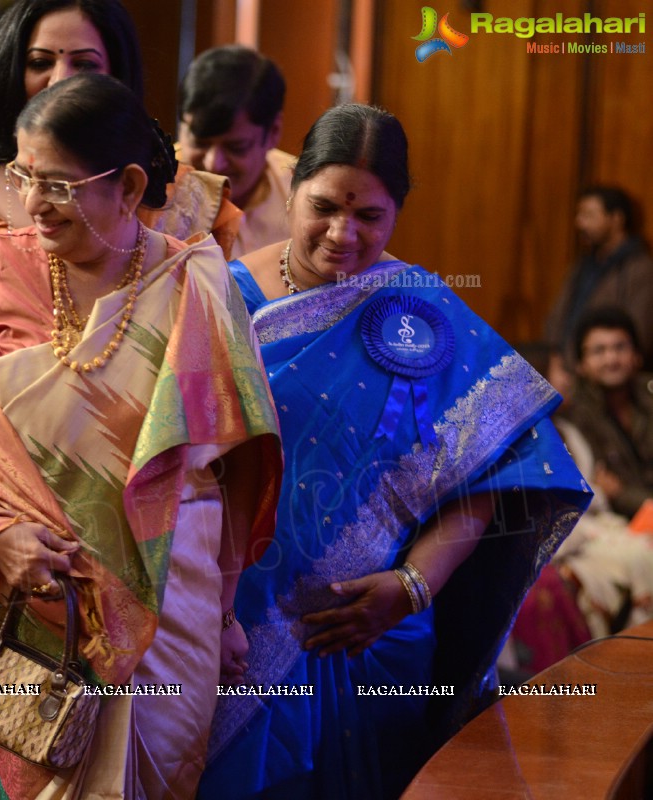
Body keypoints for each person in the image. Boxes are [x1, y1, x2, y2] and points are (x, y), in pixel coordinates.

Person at [0, 72, 281, 799]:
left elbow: (238, 473)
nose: (32, 203)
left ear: (129, 187)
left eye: (59, 185)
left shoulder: (199, 283)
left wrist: (225, 612)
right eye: (23, 177)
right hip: (22, 610)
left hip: (172, 611)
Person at [200, 104, 591, 799]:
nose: (343, 234)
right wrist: (218, 614)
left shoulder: (425, 310)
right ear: (293, 190)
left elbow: (496, 471)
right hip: (232, 635)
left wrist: (413, 586)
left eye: (371, 217)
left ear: (399, 212)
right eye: (323, 207)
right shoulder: (221, 297)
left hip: (378, 641)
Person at [0, 0, 244, 385]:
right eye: (40, 62)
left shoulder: (179, 195)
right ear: (14, 70)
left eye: (84, 64)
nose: (60, 79)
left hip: (136, 429)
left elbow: (208, 354)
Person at [178, 44, 294, 264]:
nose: (214, 164)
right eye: (199, 142)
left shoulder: (303, 195)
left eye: (236, 147)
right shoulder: (147, 191)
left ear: (274, 132)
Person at [546, 186, 653, 383]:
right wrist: (557, 363)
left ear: (616, 219)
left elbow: (639, 336)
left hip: (606, 377)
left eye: (589, 215)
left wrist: (592, 364)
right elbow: (558, 319)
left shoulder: (640, 269)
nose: (580, 223)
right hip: (567, 373)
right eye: (580, 215)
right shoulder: (583, 264)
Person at [561, 306, 653, 519]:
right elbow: (603, 491)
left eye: (620, 347)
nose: (611, 359)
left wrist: (621, 493)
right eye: (599, 351)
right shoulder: (574, 418)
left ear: (637, 355)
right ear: (580, 364)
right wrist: (620, 494)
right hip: (615, 526)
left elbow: (618, 490)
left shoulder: (649, 393)